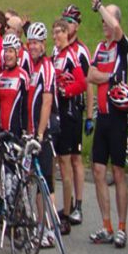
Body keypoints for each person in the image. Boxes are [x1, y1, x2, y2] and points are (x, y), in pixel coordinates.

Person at [87, 0, 128, 248]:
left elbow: (115, 28)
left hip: (117, 116)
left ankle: (122, 226)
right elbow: (90, 75)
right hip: (102, 116)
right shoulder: (101, 48)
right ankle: (106, 224)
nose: (104, 23)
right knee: (99, 170)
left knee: (118, 172)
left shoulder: (122, 45)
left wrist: (101, 8)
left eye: (107, 18)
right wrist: (110, 77)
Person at [25, 22, 61, 248]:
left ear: (44, 44)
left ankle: (49, 229)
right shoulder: (33, 67)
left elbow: (47, 101)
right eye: (31, 42)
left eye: (37, 42)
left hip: (45, 133)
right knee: (37, 181)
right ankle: (41, 225)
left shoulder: (47, 67)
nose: (34, 46)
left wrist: (39, 133)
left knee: (46, 182)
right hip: (34, 132)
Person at [51, 18, 88, 235]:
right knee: (59, 161)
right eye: (54, 33)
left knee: (66, 163)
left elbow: (82, 83)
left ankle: (66, 212)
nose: (56, 36)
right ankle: (62, 206)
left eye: (59, 33)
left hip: (70, 113)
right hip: (58, 113)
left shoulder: (72, 55)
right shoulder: (55, 55)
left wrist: (66, 90)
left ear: (67, 34)